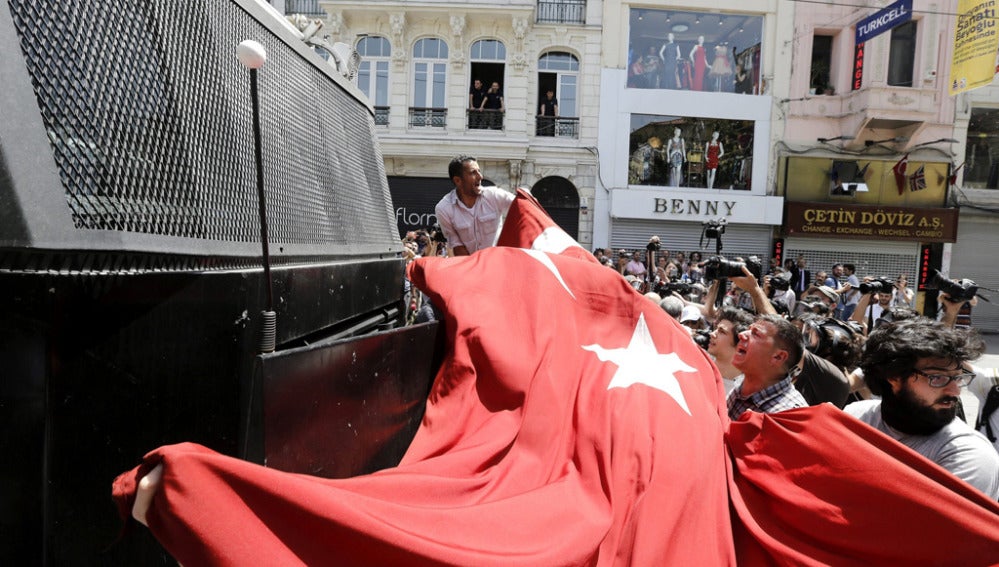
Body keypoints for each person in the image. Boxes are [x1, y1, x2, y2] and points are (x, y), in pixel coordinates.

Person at [844, 318, 999, 499]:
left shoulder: (967, 455)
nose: (955, 391)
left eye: (958, 377)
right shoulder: (854, 419)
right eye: (938, 378)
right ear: (894, 377)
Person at [727, 314, 808, 420]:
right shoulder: (741, 382)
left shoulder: (788, 416)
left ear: (778, 357)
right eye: (749, 330)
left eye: (756, 334)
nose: (741, 334)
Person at [434, 156, 514, 256]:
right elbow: (458, 248)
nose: (480, 176)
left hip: (499, 264)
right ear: (458, 180)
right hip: (471, 266)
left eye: (479, 171)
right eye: (473, 173)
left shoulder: (494, 196)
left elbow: (524, 207)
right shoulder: (444, 209)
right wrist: (475, 269)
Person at [708, 307, 755, 396]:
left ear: (739, 343)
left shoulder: (740, 394)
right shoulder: (697, 368)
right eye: (716, 329)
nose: (712, 334)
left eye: (722, 332)